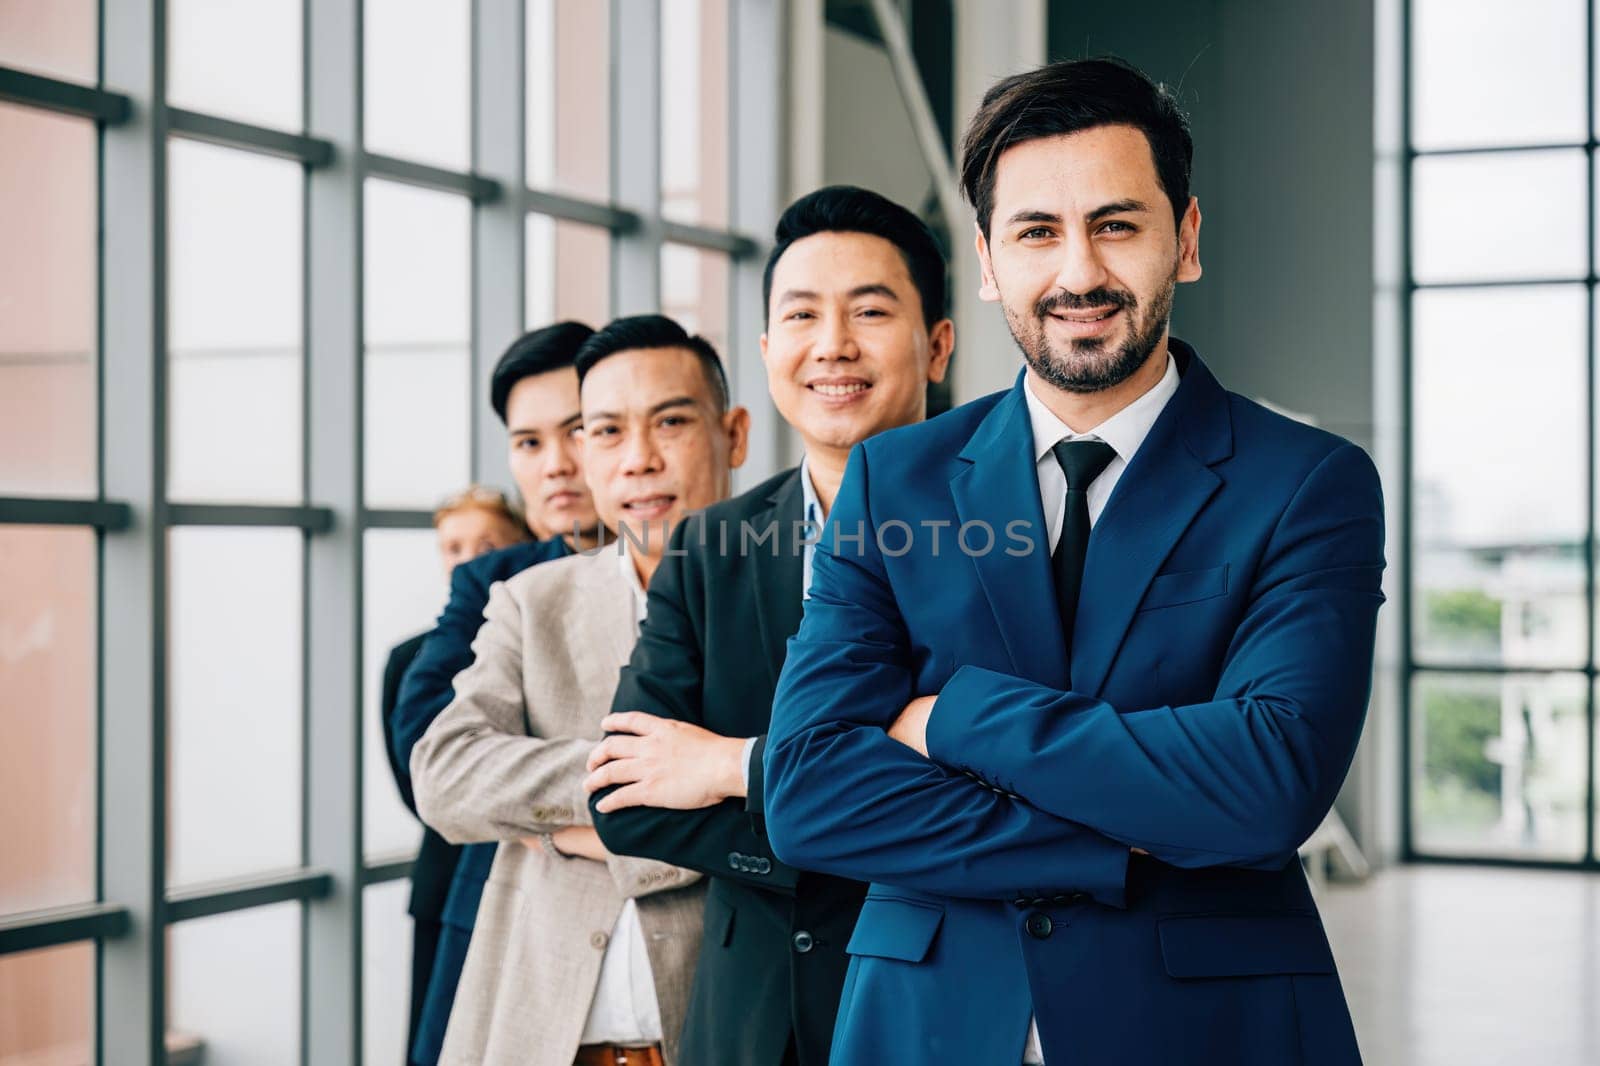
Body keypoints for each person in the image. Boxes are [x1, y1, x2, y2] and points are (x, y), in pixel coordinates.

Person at [763, 57, 1384, 1065]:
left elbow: (1267, 783)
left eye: (1116, 223)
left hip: (1208, 1027)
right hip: (928, 1024)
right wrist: (1122, 834)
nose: (1078, 273)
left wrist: (950, 716)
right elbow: (809, 791)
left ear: (1183, 239)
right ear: (985, 259)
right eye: (1037, 232)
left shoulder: (1306, 484)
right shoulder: (893, 482)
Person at [584, 186, 953, 1066]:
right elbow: (624, 798)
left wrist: (726, 769)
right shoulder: (711, 546)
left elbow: (996, 782)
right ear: (767, 349)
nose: (832, 345)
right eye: (801, 316)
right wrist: (839, 833)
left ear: (937, 343)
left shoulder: (1010, 530)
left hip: (942, 999)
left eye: (869, 310)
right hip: (749, 1023)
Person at [411, 314, 751, 1066]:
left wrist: (549, 824)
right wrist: (655, 778)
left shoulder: (799, 594)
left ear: (733, 435)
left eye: (668, 422)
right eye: (605, 432)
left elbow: (799, 819)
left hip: (716, 1036)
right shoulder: (533, 601)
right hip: (541, 1036)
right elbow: (444, 776)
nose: (637, 460)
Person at [389, 321, 602, 1066]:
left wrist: (517, 786)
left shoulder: (707, 564)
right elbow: (428, 748)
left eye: (578, 429)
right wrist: (644, 800)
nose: (556, 466)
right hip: (500, 916)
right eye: (529, 443)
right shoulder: (494, 580)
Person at [379, 485, 529, 1062]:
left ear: (522, 547)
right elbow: (417, 782)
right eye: (454, 546)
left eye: (488, 544)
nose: (469, 559)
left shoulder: (534, 641)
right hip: (446, 875)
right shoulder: (411, 658)